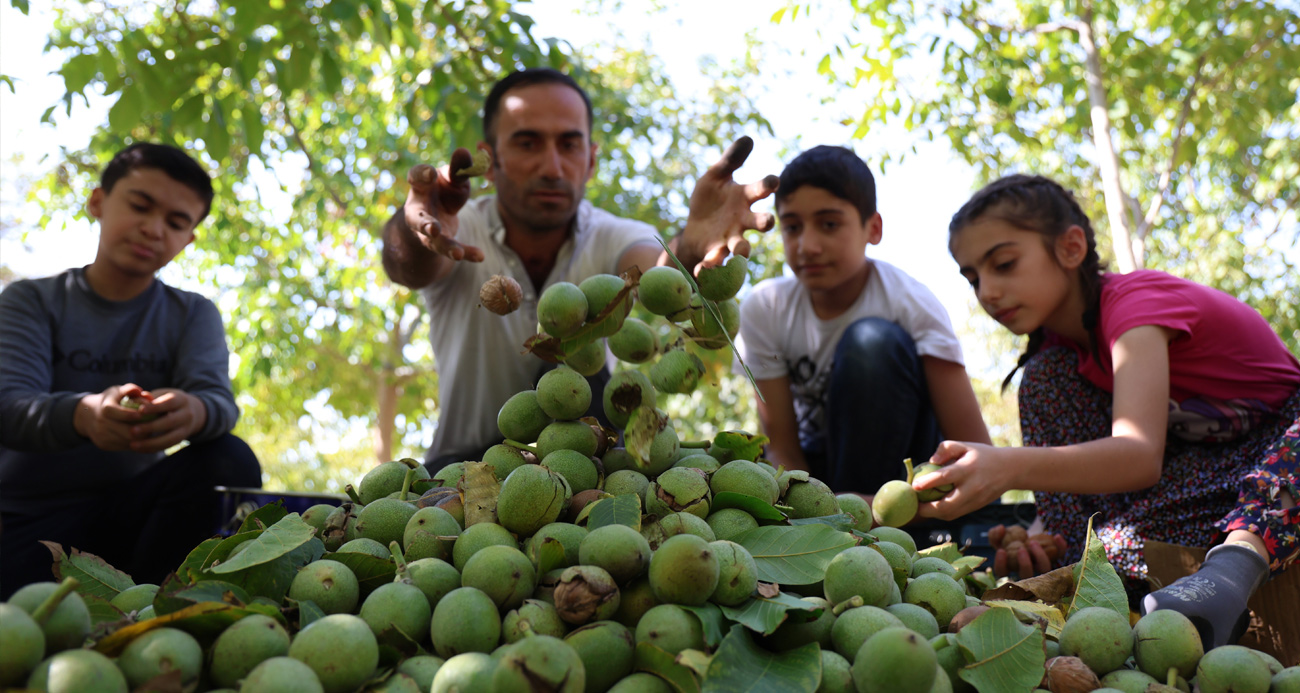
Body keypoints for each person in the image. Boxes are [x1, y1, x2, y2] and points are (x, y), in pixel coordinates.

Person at [916, 174, 1300, 647]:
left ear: (1071, 248)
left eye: (1004, 264)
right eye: (973, 278)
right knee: (1044, 379)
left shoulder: (1134, 307)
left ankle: (1234, 566)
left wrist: (1008, 467)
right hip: (1211, 475)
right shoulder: (1062, 357)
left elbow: (1138, 455)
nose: (987, 291)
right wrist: (1039, 538)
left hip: (1283, 444)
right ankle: (1078, 566)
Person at [382, 67, 777, 471]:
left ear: (590, 160)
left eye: (569, 145)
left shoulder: (611, 234)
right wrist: (414, 232)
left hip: (582, 466)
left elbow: (652, 267)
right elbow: (407, 264)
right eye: (528, 143)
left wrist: (688, 252)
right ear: (490, 160)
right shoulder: (457, 231)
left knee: (583, 374)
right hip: (461, 467)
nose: (551, 166)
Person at [0, 142, 262, 598]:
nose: (153, 228)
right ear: (98, 201)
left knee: (229, 458)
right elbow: (8, 406)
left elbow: (218, 402)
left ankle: (149, 613)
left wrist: (194, 412)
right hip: (27, 527)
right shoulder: (32, 301)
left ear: (189, 239)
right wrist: (84, 415)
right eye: (140, 205)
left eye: (176, 222)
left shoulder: (193, 314)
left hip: (133, 521)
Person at [733, 145, 990, 494]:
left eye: (828, 224)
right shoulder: (766, 308)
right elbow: (782, 446)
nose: (807, 246)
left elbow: (973, 450)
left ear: (873, 228)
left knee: (872, 341)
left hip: (903, 480)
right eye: (792, 227)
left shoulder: (909, 302)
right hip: (818, 477)